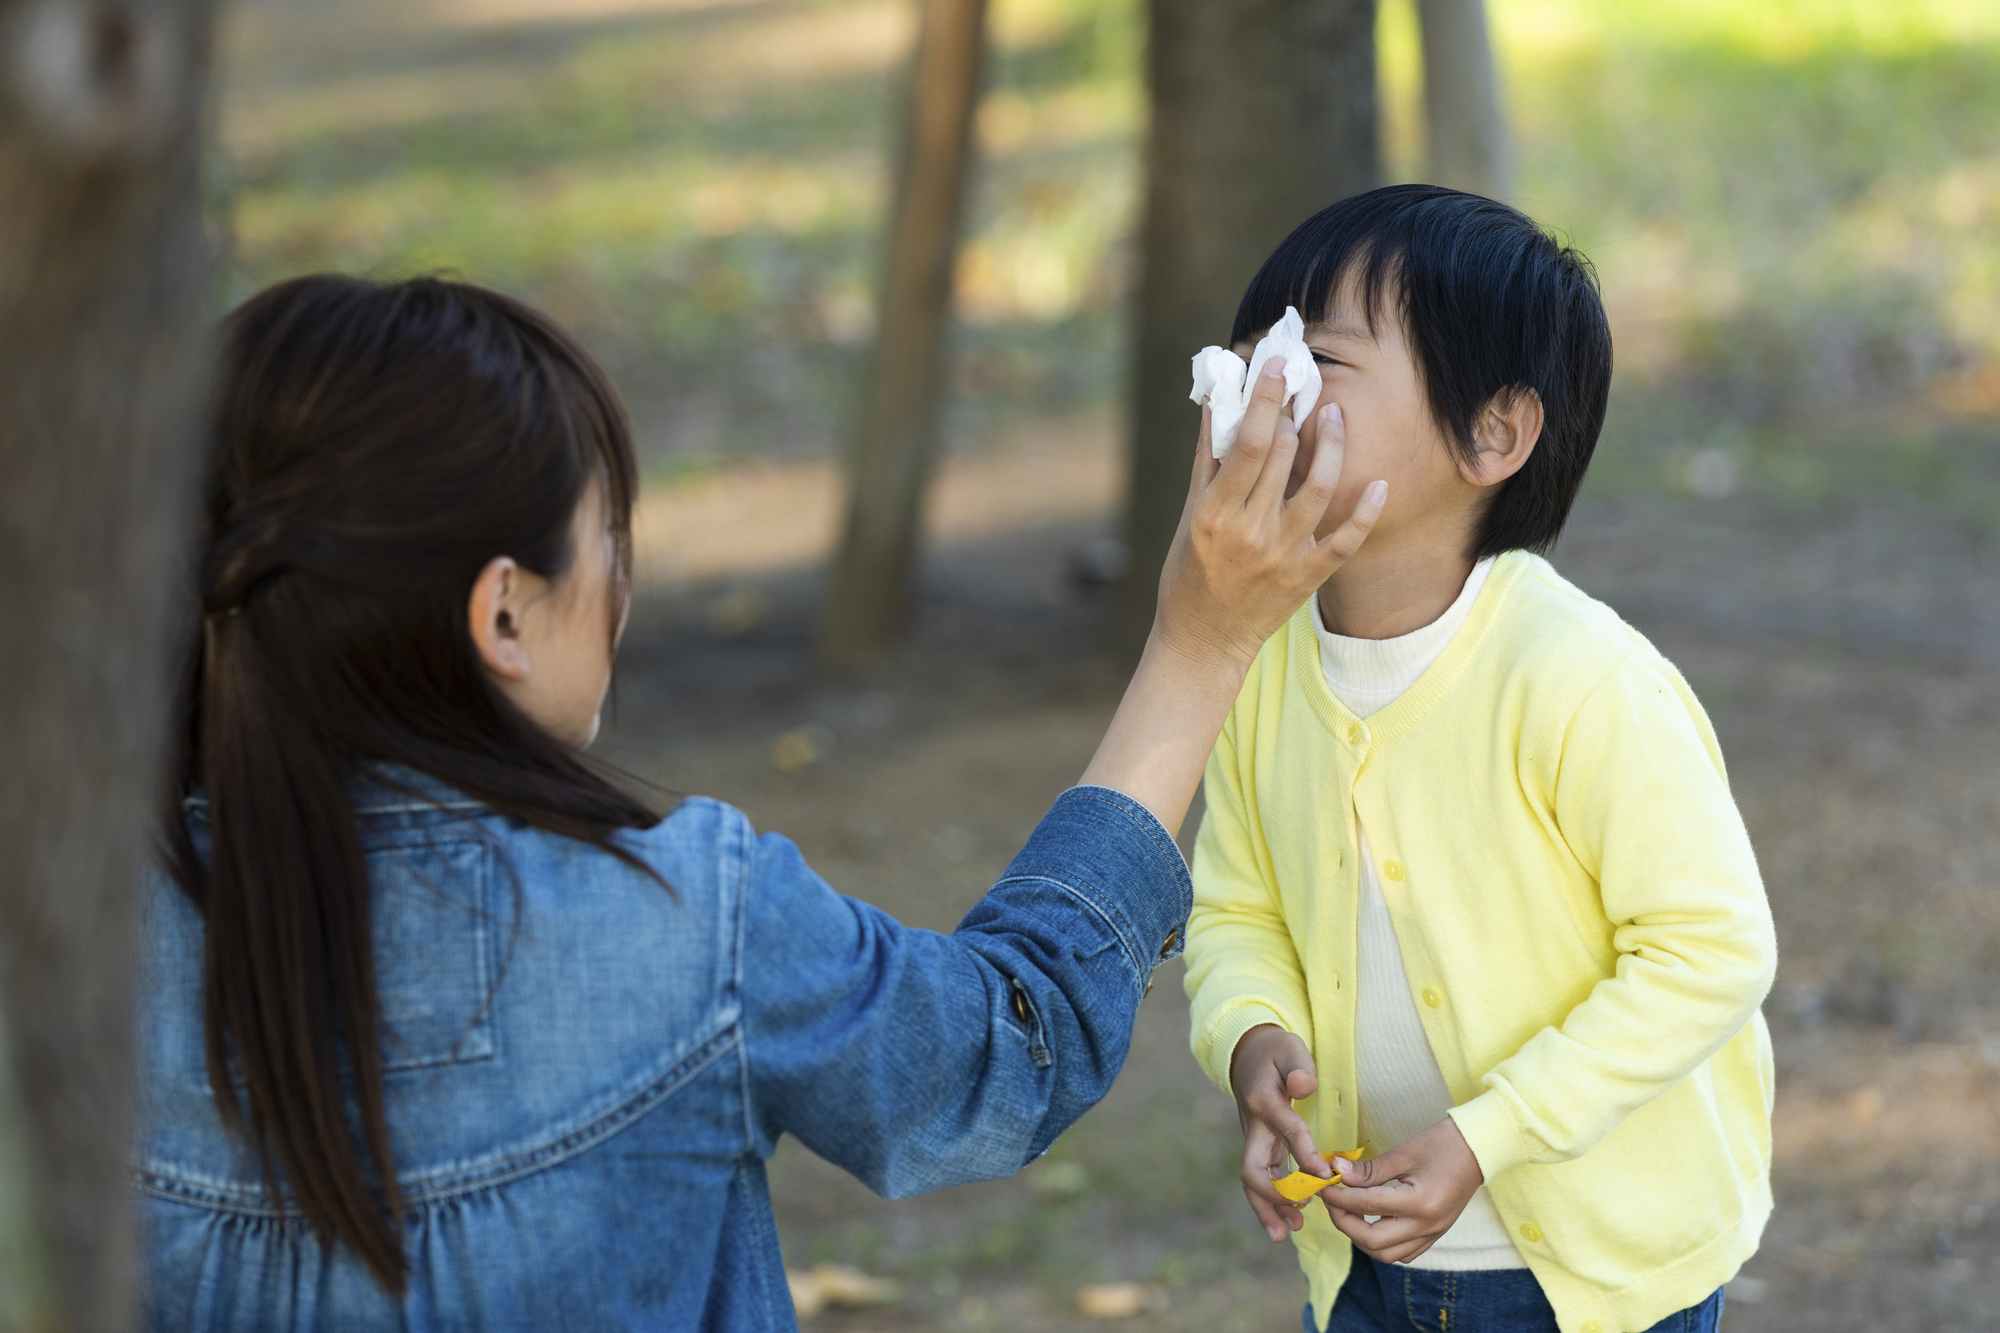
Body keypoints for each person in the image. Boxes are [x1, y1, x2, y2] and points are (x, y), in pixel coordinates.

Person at [132, 273, 1385, 1331]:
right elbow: (1003, 1051)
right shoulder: (678, 921)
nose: (621, 585)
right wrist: (1199, 648)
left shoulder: (68, 945)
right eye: (608, 535)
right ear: (504, 611)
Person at [1182, 185, 1777, 1333]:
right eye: (1254, 356)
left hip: (1597, 1277)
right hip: (1358, 1258)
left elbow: (1708, 948)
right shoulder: (1255, 667)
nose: (1263, 393)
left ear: (1491, 434)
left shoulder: (1577, 679)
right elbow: (1234, 904)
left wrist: (1485, 1134)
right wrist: (1255, 1039)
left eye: (1320, 364)